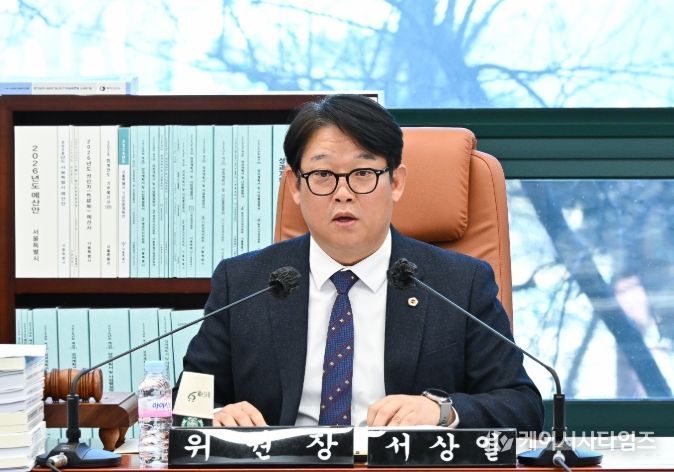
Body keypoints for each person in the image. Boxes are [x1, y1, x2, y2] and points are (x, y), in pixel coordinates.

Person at [177, 94, 544, 431]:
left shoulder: (458, 284)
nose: (343, 193)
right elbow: (187, 404)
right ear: (295, 186)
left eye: (363, 174)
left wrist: (442, 411)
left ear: (396, 182)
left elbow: (521, 405)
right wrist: (215, 414)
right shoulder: (245, 283)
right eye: (322, 175)